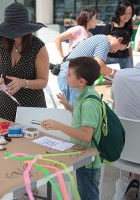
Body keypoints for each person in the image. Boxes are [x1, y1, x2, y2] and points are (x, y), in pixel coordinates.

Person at [41, 57, 103, 200]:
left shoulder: (89, 102)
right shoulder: (86, 95)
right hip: (82, 154)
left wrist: (59, 126)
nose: (66, 77)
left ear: (81, 81)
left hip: (89, 162)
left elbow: (87, 135)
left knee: (88, 195)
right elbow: (82, 116)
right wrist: (68, 106)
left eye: (69, 75)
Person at [0, 2, 49, 122]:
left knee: (30, 140)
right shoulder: (0, 43)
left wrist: (24, 83)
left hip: (31, 105)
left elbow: (43, 82)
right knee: (2, 138)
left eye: (18, 30)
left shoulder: (38, 46)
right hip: (5, 103)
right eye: (11, 30)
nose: (14, 34)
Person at [112, 41, 140, 199]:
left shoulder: (120, 76)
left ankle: (134, 179)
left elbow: (116, 105)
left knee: (132, 119)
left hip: (123, 150)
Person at [57, 30, 130, 106]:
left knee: (75, 109)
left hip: (70, 75)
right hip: (71, 75)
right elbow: (100, 66)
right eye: (119, 49)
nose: (115, 51)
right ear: (120, 39)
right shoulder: (105, 42)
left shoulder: (99, 38)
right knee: (76, 110)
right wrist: (116, 73)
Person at [102, 1, 134, 69]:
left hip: (126, 59)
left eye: (130, 13)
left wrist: (131, 61)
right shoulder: (109, 27)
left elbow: (129, 45)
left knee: (127, 79)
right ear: (119, 12)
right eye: (125, 13)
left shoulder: (129, 28)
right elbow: (101, 45)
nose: (127, 16)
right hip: (110, 60)